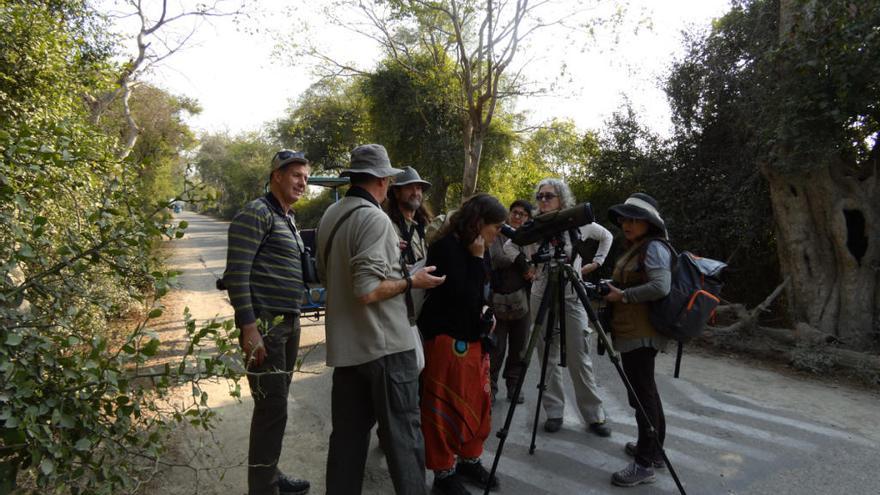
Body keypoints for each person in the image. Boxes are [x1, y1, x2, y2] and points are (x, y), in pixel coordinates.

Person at [317, 144, 445, 495]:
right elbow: (366, 290)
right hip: (386, 348)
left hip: (348, 350)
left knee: (347, 441)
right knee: (404, 439)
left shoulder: (331, 216)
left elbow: (324, 273)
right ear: (383, 180)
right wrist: (411, 281)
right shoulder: (374, 218)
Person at [223, 150, 312, 495]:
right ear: (276, 175)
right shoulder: (256, 213)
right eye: (295, 176)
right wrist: (249, 327)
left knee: (276, 406)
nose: (302, 183)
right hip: (265, 327)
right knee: (271, 409)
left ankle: (269, 475)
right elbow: (236, 274)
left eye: (305, 178)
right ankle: (262, 488)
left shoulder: (286, 217)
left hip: (288, 324)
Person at [504, 178, 614, 437]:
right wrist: (525, 265)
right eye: (540, 196)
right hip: (541, 293)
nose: (543, 200)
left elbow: (606, 236)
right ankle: (554, 412)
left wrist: (596, 263)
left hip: (571, 295)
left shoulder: (577, 223)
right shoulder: (533, 227)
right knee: (546, 357)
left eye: (549, 196)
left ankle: (594, 415)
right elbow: (511, 245)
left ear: (561, 199)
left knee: (579, 356)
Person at [417, 193, 507, 495]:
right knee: (444, 406)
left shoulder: (479, 247)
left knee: (477, 403)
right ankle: (444, 473)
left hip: (473, 340)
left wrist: (487, 311)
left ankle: (469, 459)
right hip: (446, 339)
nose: (498, 234)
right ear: (480, 223)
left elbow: (482, 293)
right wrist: (476, 259)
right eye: (496, 227)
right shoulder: (446, 248)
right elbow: (461, 295)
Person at [603, 193, 672, 487]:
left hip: (642, 333)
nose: (626, 224)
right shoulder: (638, 248)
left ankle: (644, 464)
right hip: (633, 330)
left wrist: (623, 295)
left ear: (648, 223)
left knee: (643, 397)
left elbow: (661, 286)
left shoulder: (654, 247)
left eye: (633, 219)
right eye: (624, 219)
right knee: (646, 393)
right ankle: (654, 450)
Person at [488, 199, 535, 405]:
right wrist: (523, 263)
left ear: (528, 218)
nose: (517, 216)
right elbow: (497, 258)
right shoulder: (499, 234)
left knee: (520, 347)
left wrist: (526, 264)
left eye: (522, 214)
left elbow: (538, 264)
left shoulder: (531, 238)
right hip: (497, 300)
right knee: (496, 347)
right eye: (514, 212)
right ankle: (490, 387)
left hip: (523, 301)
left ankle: (514, 385)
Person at [386, 166, 433, 266]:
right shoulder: (387, 226)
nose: (415, 193)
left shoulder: (426, 225)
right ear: (396, 192)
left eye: (418, 188)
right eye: (409, 188)